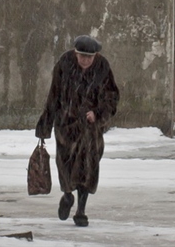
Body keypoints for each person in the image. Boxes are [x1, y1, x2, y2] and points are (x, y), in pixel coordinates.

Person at [36, 35, 119, 227]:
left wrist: (98, 113)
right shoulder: (64, 64)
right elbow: (54, 95)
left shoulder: (102, 67)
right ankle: (67, 196)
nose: (86, 61)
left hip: (90, 129)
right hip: (66, 126)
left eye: (89, 57)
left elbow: (112, 96)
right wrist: (45, 124)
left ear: (95, 55)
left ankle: (81, 210)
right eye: (82, 56)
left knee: (88, 168)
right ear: (76, 53)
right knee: (65, 166)